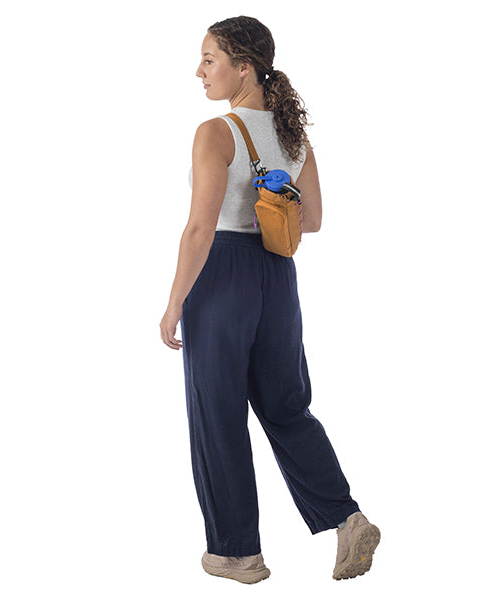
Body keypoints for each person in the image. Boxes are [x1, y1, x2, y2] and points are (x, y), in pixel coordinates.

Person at [159, 15, 380, 584]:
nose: (200, 70)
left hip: (221, 275)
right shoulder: (293, 136)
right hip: (278, 275)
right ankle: (347, 518)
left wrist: (175, 301)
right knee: (286, 408)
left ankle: (237, 554)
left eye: (210, 59)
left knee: (218, 413)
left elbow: (200, 229)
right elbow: (315, 219)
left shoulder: (217, 132)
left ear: (243, 67)